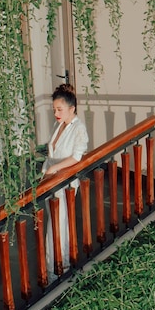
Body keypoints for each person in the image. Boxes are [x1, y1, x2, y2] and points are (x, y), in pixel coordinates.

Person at [41, 84, 89, 275]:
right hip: (49, 178)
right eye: (54, 110)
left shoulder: (79, 128)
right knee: (54, 222)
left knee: (58, 224)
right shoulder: (58, 124)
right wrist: (47, 171)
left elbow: (77, 157)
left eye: (59, 109)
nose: (56, 114)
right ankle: (56, 264)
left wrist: (55, 168)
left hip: (64, 180)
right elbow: (52, 151)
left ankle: (59, 266)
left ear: (72, 108)